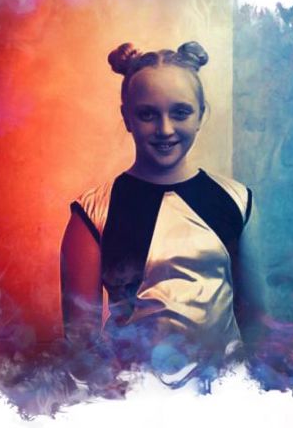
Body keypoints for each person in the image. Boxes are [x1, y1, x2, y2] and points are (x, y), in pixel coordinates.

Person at [59, 41, 264, 385]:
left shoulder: (237, 200)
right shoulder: (93, 212)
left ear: (201, 114)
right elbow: (81, 345)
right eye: (147, 114)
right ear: (127, 117)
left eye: (180, 112)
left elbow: (257, 322)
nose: (165, 129)